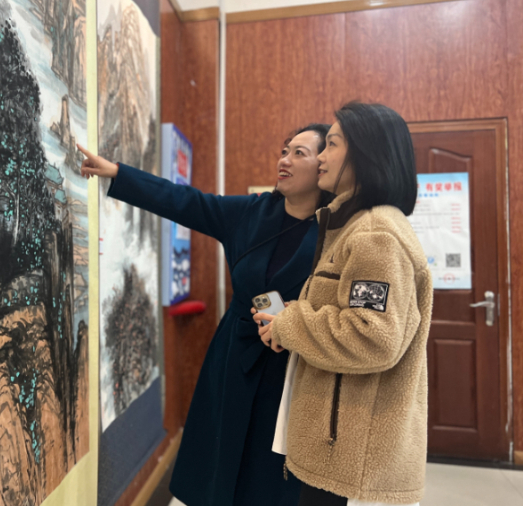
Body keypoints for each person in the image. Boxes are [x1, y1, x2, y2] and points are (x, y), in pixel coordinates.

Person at [78, 124, 333, 506]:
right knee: (222, 462)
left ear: (322, 167)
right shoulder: (251, 212)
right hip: (234, 357)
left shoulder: (335, 232)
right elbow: (184, 201)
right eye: (285, 150)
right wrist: (119, 174)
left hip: (293, 367)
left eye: (300, 153)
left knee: (271, 474)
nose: (285, 160)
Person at [254, 103, 433, 506]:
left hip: (351, 459)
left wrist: (290, 324)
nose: (320, 157)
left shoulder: (375, 234)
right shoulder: (354, 225)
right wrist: (292, 320)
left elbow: (372, 337)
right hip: (339, 447)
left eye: (331, 145)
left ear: (365, 153)